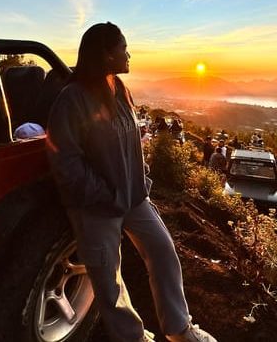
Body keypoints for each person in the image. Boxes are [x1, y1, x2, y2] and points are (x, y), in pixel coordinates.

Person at [47, 22, 217, 342]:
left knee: (163, 252)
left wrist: (141, 182)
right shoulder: (72, 99)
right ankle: (133, 338)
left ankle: (180, 330)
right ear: (106, 54)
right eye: (123, 48)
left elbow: (129, 144)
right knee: (109, 284)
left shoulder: (119, 90)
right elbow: (65, 161)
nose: (129, 54)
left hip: (134, 199)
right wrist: (103, 194)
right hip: (96, 207)